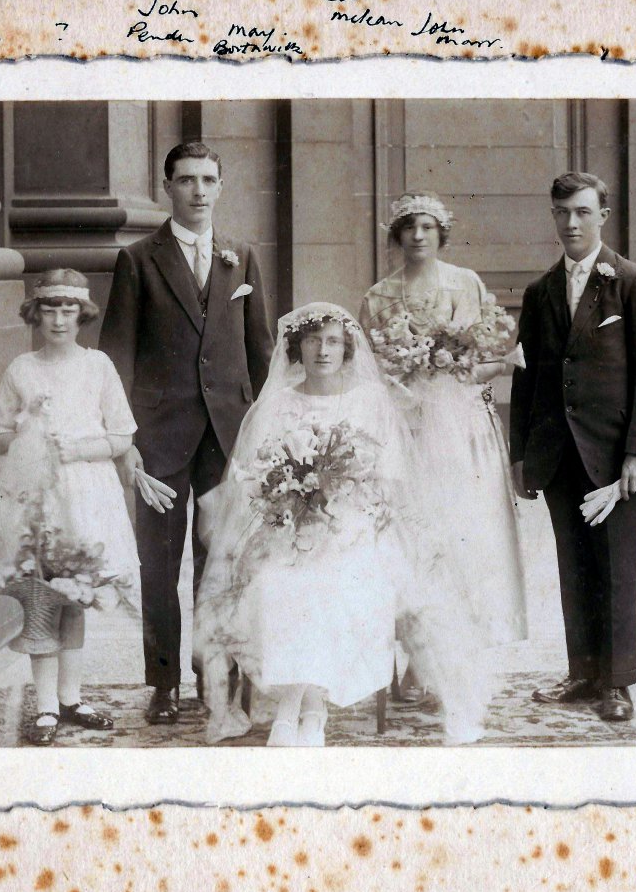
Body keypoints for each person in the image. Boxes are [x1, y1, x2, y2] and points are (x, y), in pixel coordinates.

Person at [98, 141, 274, 726]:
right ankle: (163, 681)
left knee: (220, 561)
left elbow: (261, 349)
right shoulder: (139, 259)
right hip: (160, 439)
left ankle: (213, 675)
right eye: (186, 180)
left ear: (221, 187)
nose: (198, 190)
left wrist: (265, 430)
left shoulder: (240, 256)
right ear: (168, 187)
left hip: (227, 436)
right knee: (159, 562)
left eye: (208, 180)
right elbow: (115, 358)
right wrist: (124, 444)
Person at [193, 305, 406, 746]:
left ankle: (294, 711)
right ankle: (309, 709)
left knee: (331, 582)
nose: (322, 350)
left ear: (347, 348)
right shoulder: (278, 404)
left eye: (332, 341)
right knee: (277, 584)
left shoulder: (368, 401)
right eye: (312, 341)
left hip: (352, 527)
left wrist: (340, 497)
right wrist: (286, 492)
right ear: (297, 347)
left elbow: (389, 474)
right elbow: (249, 472)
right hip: (285, 526)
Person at [509, 172, 636, 723]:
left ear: (603, 215)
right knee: (574, 568)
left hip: (614, 460)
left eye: (582, 212)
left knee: (616, 570)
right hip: (557, 457)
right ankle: (582, 673)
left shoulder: (632, 282)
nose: (571, 223)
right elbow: (526, 380)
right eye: (562, 213)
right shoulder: (539, 292)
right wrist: (520, 456)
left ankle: (617, 683)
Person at [359, 192, 528, 702]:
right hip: (403, 426)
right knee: (408, 540)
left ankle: (447, 660)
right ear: (396, 234)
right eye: (408, 226)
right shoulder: (379, 297)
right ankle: (408, 656)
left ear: (441, 233)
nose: (417, 235)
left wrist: (465, 366)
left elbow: (482, 356)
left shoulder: (465, 284)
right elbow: (367, 370)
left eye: (427, 226)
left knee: (462, 538)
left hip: (459, 428)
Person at [0, 268, 140, 746]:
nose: (59, 319)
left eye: (69, 309)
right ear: (36, 314)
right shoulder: (22, 369)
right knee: (40, 596)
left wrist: (79, 449)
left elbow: (122, 435)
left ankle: (71, 698)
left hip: (86, 492)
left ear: (82, 314)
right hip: (34, 496)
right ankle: (46, 706)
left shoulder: (98, 366)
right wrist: (28, 428)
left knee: (76, 595)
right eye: (50, 308)